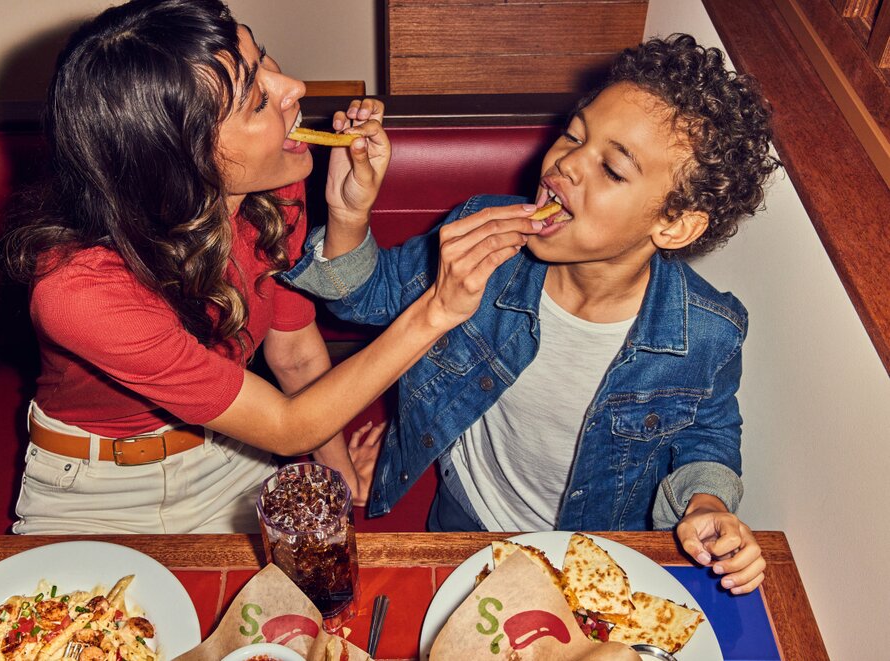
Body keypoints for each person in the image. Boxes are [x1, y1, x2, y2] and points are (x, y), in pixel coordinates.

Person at [0, 0, 541, 534]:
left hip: (236, 452)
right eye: (258, 100)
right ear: (183, 159)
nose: (295, 88)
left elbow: (297, 355)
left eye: (265, 62)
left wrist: (341, 476)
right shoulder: (76, 289)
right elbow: (285, 427)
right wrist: (438, 309)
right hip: (97, 485)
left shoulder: (274, 187)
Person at [283, 34, 780, 594]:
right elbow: (366, 299)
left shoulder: (709, 332)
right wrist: (350, 212)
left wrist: (707, 500)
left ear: (673, 225)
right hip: (465, 516)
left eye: (612, 169)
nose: (566, 164)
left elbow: (709, 434)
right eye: (573, 134)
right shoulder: (486, 234)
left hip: (594, 554)